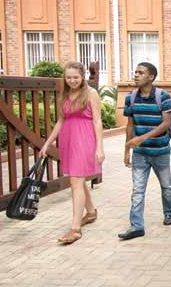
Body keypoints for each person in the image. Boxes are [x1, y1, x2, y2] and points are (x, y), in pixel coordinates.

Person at [40, 61, 104, 245]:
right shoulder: (64, 94)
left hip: (85, 140)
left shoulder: (91, 93)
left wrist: (100, 147)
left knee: (75, 181)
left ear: (82, 76)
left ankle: (75, 228)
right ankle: (90, 212)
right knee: (77, 179)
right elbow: (60, 121)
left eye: (75, 77)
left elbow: (97, 121)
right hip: (68, 140)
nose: (72, 80)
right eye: (68, 77)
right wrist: (47, 143)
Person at [119, 62, 171, 240]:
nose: (136, 75)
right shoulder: (130, 97)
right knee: (137, 190)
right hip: (140, 153)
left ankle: (169, 212)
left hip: (160, 151)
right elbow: (130, 125)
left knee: (166, 187)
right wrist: (127, 150)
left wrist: (141, 138)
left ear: (151, 77)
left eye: (141, 72)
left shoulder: (163, 96)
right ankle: (137, 226)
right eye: (135, 72)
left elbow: (165, 123)